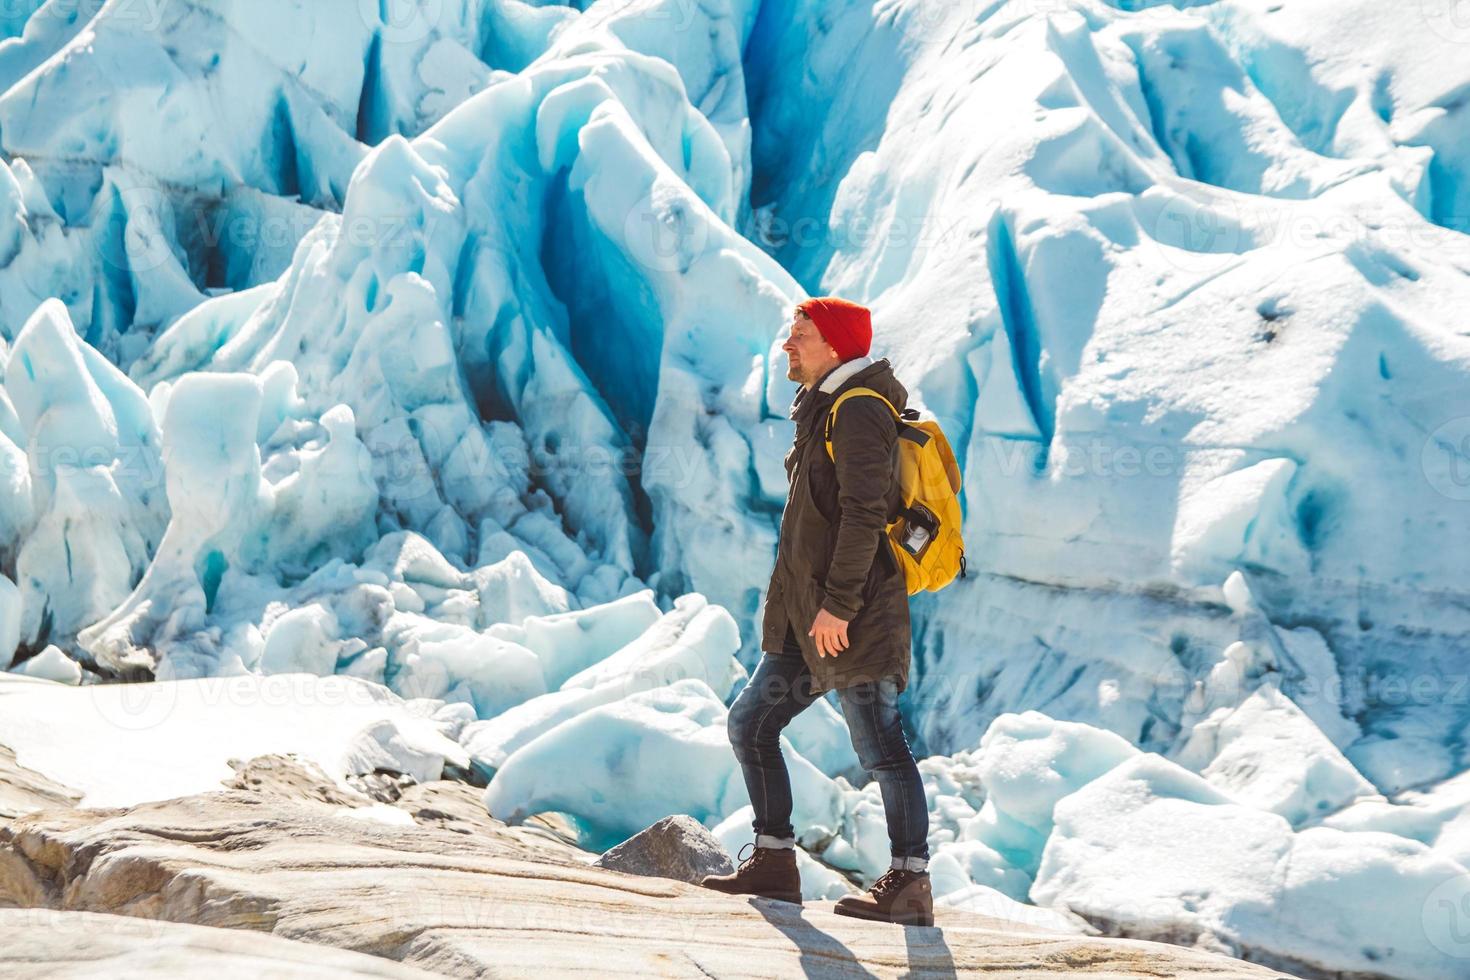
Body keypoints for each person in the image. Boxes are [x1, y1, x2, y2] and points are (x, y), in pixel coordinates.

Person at [699, 297, 932, 927]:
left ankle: (911, 883)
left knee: (880, 743)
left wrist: (837, 605)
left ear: (833, 344)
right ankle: (775, 861)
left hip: (850, 615)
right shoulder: (827, 407)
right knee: (752, 723)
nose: (787, 346)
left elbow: (862, 515)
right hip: (810, 620)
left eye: (799, 334)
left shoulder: (857, 409)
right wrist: (798, 615)